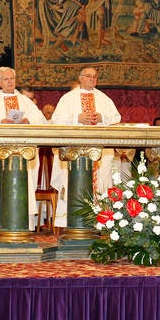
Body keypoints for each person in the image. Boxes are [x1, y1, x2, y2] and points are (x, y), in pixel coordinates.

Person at [50, 66, 122, 227]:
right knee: (73, 184)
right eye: (88, 76)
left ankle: (101, 223)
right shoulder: (68, 98)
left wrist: (102, 117)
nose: (92, 79)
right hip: (75, 151)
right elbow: (57, 120)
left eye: (95, 77)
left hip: (100, 151)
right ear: (80, 78)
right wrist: (77, 118)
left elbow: (116, 117)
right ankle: (73, 222)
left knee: (101, 183)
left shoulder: (103, 98)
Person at [0, 67, 46, 232]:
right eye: (6, 79)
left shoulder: (25, 101)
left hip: (23, 152)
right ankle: (0, 223)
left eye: (12, 78)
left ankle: (23, 225)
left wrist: (28, 120)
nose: (10, 82)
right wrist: (0, 121)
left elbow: (41, 119)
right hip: (2, 154)